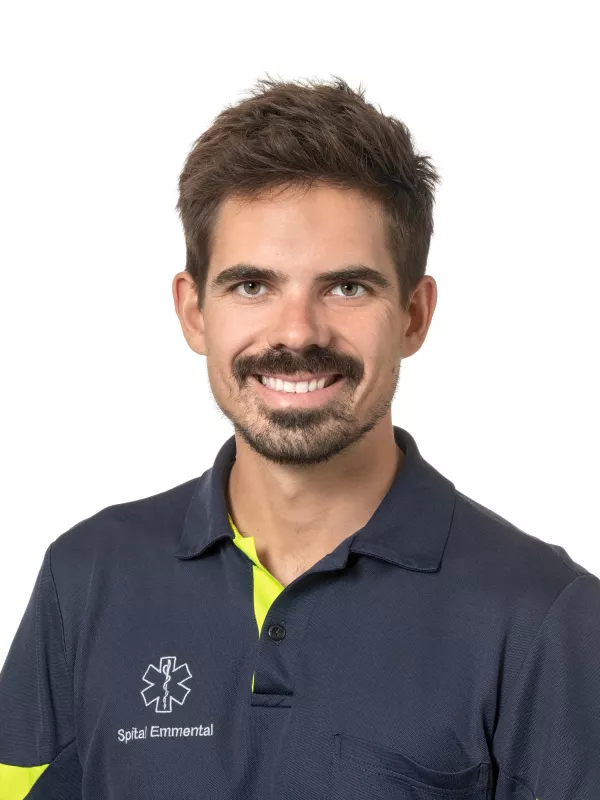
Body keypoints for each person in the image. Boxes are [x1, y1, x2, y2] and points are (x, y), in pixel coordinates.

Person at [0, 74, 598, 800]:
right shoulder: (85, 578)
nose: (296, 334)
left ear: (413, 315)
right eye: (252, 286)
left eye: (347, 287)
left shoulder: (546, 618)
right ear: (194, 312)